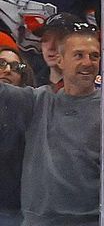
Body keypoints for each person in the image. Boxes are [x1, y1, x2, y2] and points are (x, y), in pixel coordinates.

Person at [0, 23, 104, 225]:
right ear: (59, 60)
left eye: (94, 56)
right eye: (79, 55)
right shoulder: (37, 101)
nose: (88, 62)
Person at [0, 41, 34, 225]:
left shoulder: (32, 108)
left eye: (15, 67)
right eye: (1, 63)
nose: (7, 70)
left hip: (15, 209)